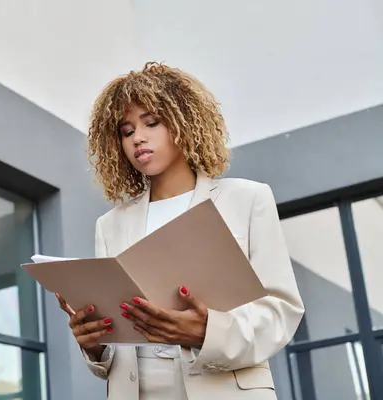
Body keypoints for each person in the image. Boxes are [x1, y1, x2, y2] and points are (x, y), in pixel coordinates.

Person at [55, 62, 305, 399]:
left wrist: (207, 331)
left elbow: (280, 311)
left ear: (184, 123)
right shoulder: (110, 225)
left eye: (151, 123)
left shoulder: (247, 199)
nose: (138, 138)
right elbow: (115, 348)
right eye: (126, 131)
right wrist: (94, 344)